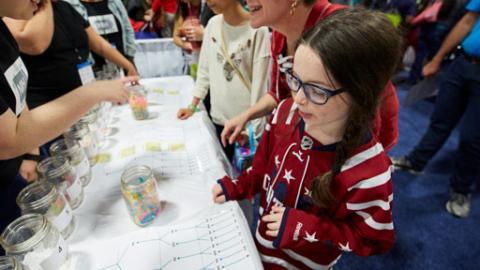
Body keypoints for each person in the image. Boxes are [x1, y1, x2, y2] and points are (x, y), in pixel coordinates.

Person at [212, 8, 402, 269]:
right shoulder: (285, 113)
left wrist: (306, 226)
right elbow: (262, 169)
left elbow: (373, 239)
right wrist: (239, 186)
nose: (298, 97)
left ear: (360, 93)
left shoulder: (368, 172)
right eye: (295, 79)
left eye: (316, 90)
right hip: (260, 247)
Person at [0, 0, 134, 255]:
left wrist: (30, 151)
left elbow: (18, 93)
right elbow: (7, 138)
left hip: (13, 173)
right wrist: (92, 93)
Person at [221, 0, 400, 153]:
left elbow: (365, 111)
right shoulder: (279, 32)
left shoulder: (343, 29)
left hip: (351, 145)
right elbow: (280, 95)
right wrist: (245, 117)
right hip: (313, 135)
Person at [392, 0, 480, 218]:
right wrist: (438, 58)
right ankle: (416, 161)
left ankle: (461, 190)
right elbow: (466, 22)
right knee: (440, 121)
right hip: (462, 64)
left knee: (472, 138)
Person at [176, 0, 270, 160]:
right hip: (219, 118)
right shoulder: (212, 24)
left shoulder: (258, 30)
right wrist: (193, 104)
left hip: (245, 126)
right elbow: (205, 68)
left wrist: (253, 130)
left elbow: (261, 86)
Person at [3, 0, 138, 109]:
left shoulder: (66, 7)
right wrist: (46, 4)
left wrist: (128, 66)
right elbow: (34, 43)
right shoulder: (26, 11)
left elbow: (99, 45)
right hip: (49, 105)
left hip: (81, 98)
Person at [65, 0, 137, 70]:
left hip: (121, 62)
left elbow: (128, 28)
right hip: (92, 66)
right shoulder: (69, 4)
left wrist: (129, 57)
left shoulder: (114, 1)